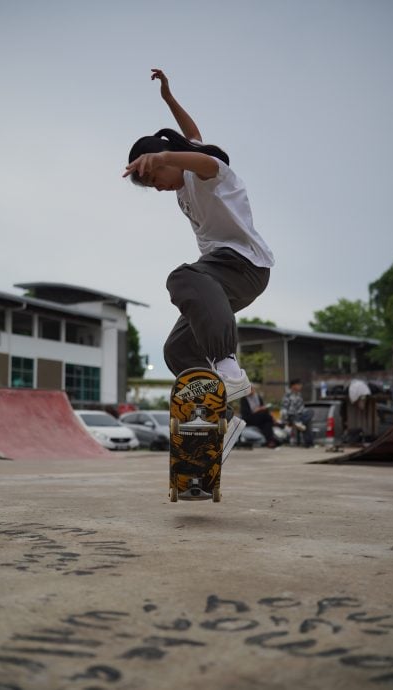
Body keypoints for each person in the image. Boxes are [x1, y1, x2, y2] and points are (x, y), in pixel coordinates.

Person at [123, 68, 275, 458]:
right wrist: (169, 100)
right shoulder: (181, 180)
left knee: (182, 277)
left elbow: (200, 156)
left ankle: (229, 368)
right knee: (176, 349)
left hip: (244, 265)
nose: (158, 188)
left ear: (166, 161)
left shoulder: (208, 172)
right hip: (219, 278)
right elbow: (191, 131)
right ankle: (218, 424)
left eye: (155, 179)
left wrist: (163, 153)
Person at [280, 378, 314, 447]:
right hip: (291, 416)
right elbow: (284, 408)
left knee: (310, 412)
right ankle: (308, 442)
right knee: (307, 423)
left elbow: (302, 407)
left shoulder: (299, 395)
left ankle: (300, 423)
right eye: (299, 385)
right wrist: (285, 420)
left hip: (299, 415)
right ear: (293, 386)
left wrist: (304, 414)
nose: (300, 386)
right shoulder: (287, 395)